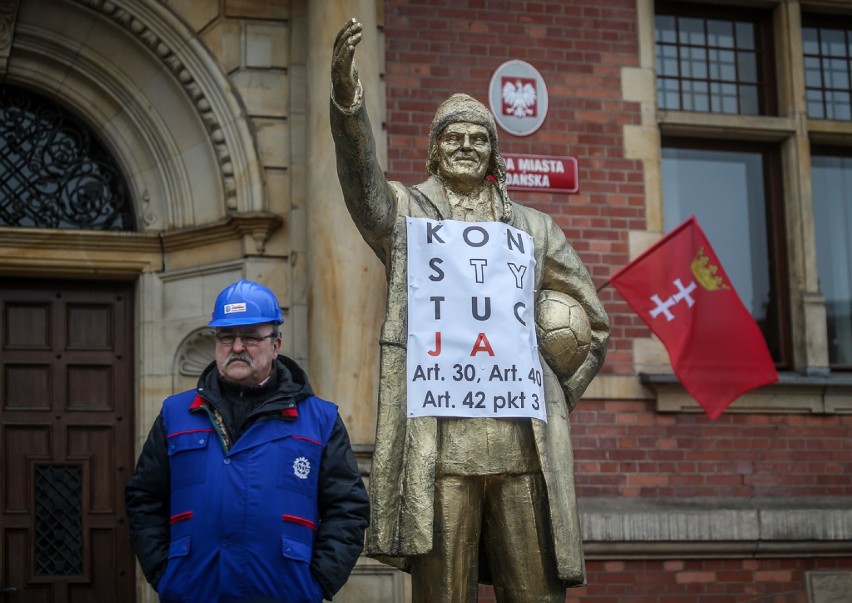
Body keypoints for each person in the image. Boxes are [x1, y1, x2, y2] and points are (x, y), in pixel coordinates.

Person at [330, 18, 610, 603]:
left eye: (478, 138)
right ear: (433, 149)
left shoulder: (535, 229)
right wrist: (348, 103)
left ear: (494, 153)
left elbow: (595, 323)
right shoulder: (408, 217)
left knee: (533, 592)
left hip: (521, 448)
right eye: (452, 137)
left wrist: (555, 393)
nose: (464, 146)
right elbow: (364, 195)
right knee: (444, 595)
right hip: (441, 451)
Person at [125, 279, 369, 603]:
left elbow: (347, 508)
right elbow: (144, 498)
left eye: (251, 337)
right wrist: (164, 574)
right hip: (194, 591)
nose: (237, 347)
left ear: (276, 345)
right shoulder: (176, 414)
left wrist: (318, 582)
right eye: (227, 336)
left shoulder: (320, 420)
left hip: (284, 593)